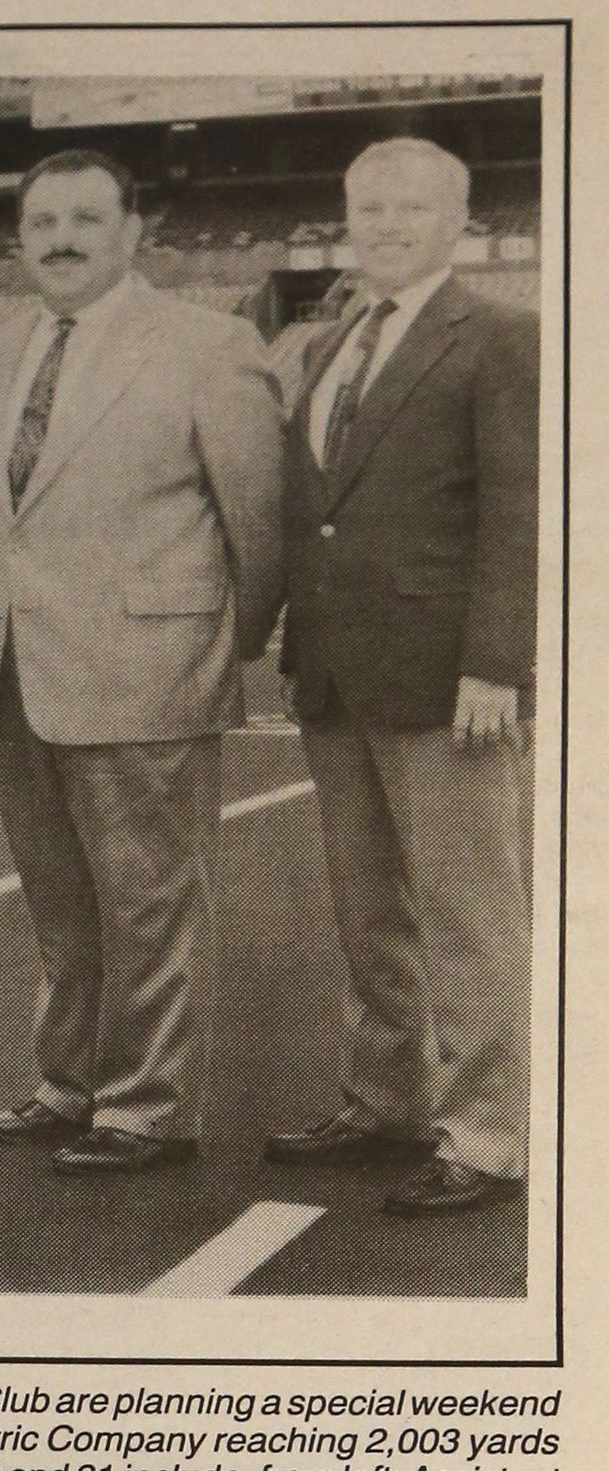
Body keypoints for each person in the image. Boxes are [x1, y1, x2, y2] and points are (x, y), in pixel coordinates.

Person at [0, 149, 282, 1175]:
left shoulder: (207, 345)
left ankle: (146, 1107)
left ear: (133, 231)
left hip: (148, 669)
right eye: (41, 221)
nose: (60, 240)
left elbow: (258, 519)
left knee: (148, 905)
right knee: (60, 905)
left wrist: (209, 647)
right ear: (19, 237)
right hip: (14, 667)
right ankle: (68, 1082)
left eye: (85, 219)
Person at [268, 139, 537, 1216]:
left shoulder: (501, 336)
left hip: (443, 678)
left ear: (458, 221)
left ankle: (488, 1134)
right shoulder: (333, 337)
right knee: (366, 908)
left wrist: (495, 664)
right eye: (368, 207)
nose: (385, 225)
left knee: (468, 913)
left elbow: (519, 511)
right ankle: (385, 1099)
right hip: (337, 671)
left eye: (411, 208)